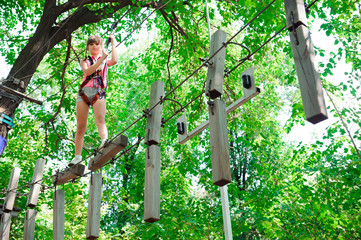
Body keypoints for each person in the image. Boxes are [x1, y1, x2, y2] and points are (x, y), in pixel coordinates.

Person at [69, 34, 118, 166]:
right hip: (84, 93)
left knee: (100, 120)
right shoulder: (85, 60)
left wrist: (113, 43)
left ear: (101, 46)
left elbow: (115, 60)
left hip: (98, 92)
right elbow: (88, 71)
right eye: (91, 44)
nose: (94, 46)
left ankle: (104, 141)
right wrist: (101, 59)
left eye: (97, 44)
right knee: (81, 126)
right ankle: (77, 156)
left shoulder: (105, 61)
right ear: (88, 48)